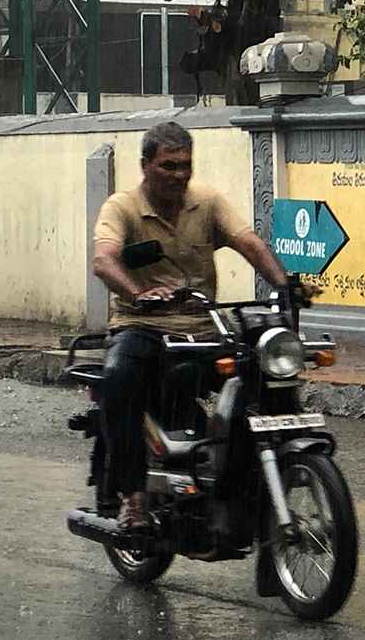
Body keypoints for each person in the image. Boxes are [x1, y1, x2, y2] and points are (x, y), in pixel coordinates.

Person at [92, 121, 298, 530]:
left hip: (205, 328)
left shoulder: (206, 202)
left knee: (267, 371)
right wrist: (137, 294)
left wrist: (286, 284)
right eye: (168, 166)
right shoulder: (123, 207)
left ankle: (261, 475)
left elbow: (251, 244)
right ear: (145, 165)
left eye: (185, 165)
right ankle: (131, 497)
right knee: (118, 378)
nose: (179, 175)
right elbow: (104, 260)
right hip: (143, 326)